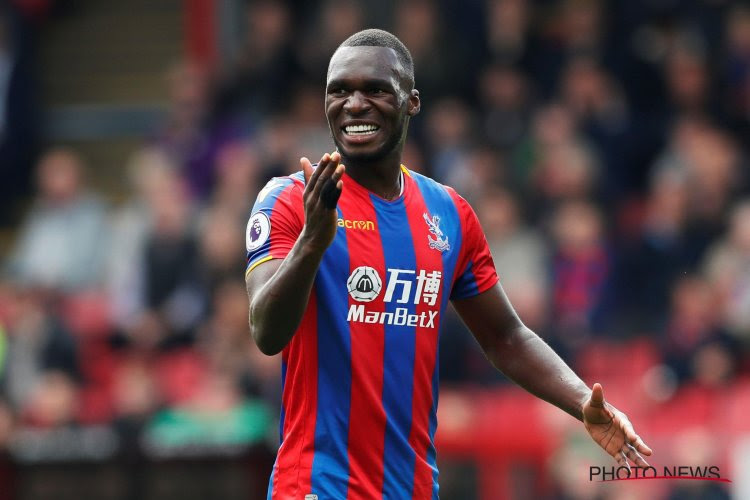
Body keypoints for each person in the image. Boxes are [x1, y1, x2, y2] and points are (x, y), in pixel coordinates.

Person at [245, 29, 651, 499]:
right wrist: (313, 242)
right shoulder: (289, 201)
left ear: (412, 101)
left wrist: (583, 401)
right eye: (340, 90)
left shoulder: (448, 214)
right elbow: (266, 331)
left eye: (374, 89)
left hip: (414, 488)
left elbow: (506, 336)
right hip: (318, 485)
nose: (354, 104)